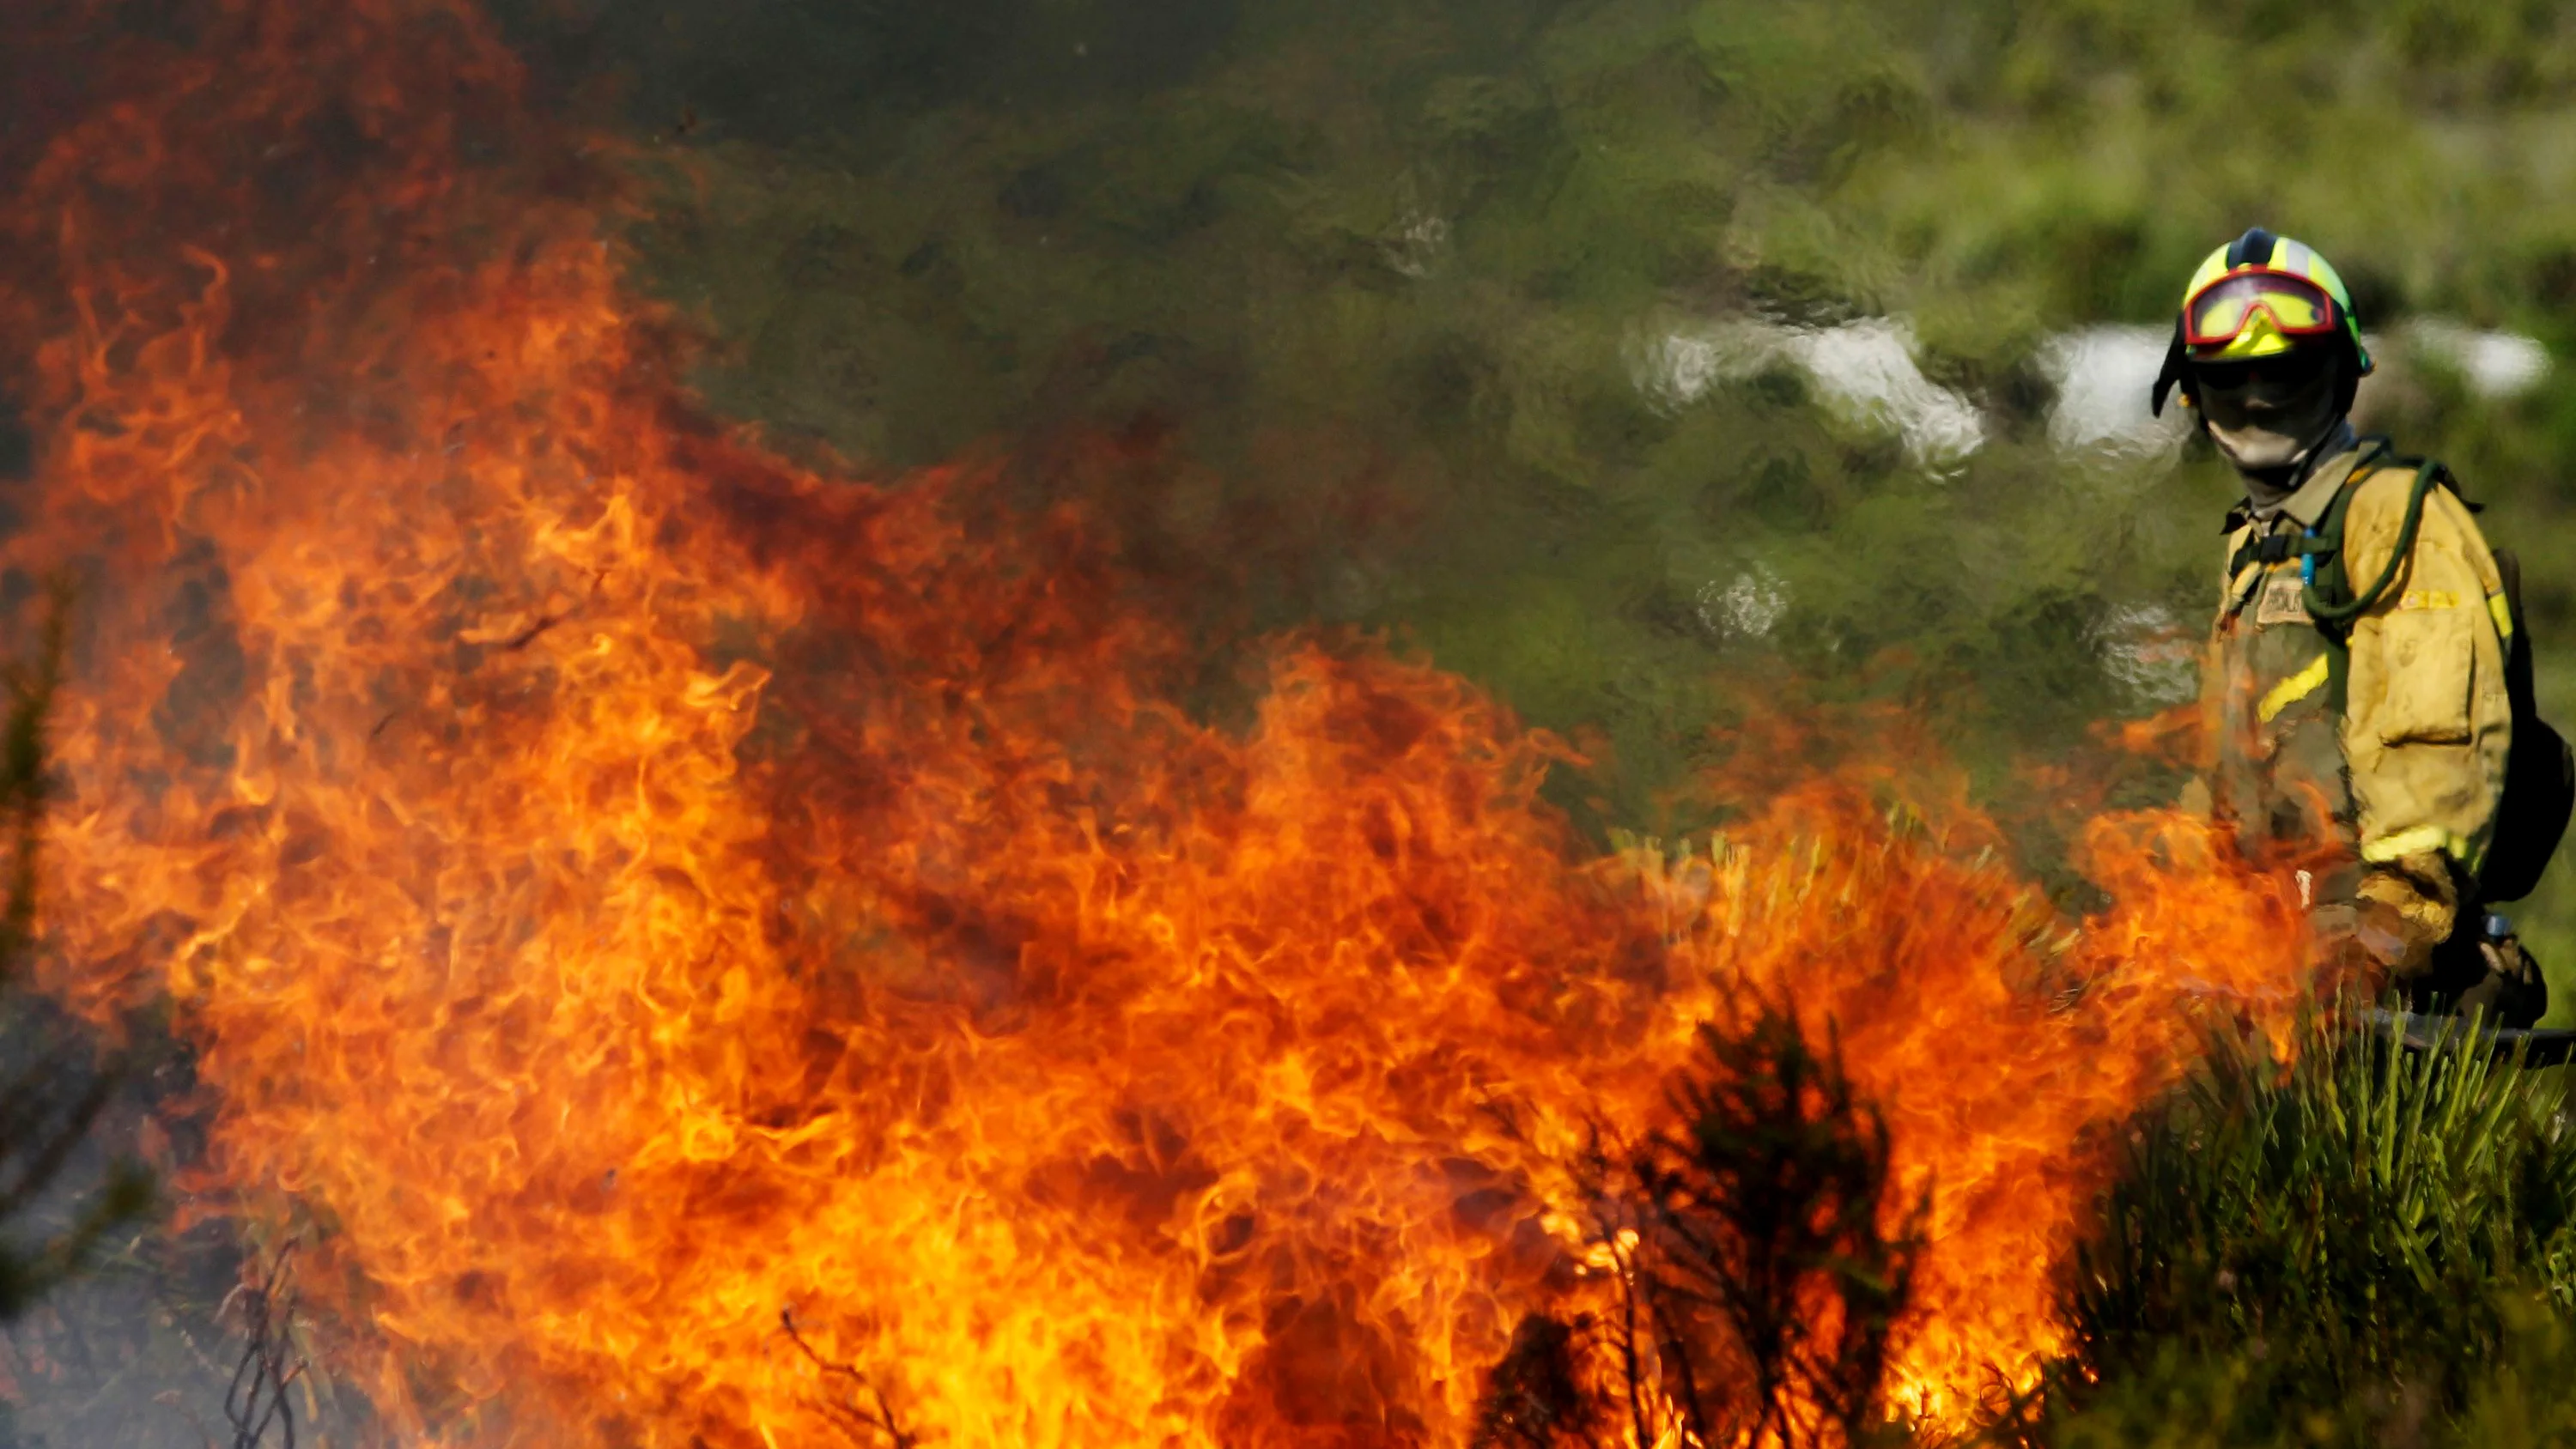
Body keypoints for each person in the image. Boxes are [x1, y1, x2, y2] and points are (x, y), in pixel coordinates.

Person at [2151, 227, 2549, 1026]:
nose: (2261, 396)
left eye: (2288, 369)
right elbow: (2221, 788)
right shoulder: (2256, 550)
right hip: (2271, 964)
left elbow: (2438, 744)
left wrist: (2384, 934)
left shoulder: (2392, 518)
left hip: (2389, 994)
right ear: (2194, 391)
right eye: (2234, 375)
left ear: (2342, 372)